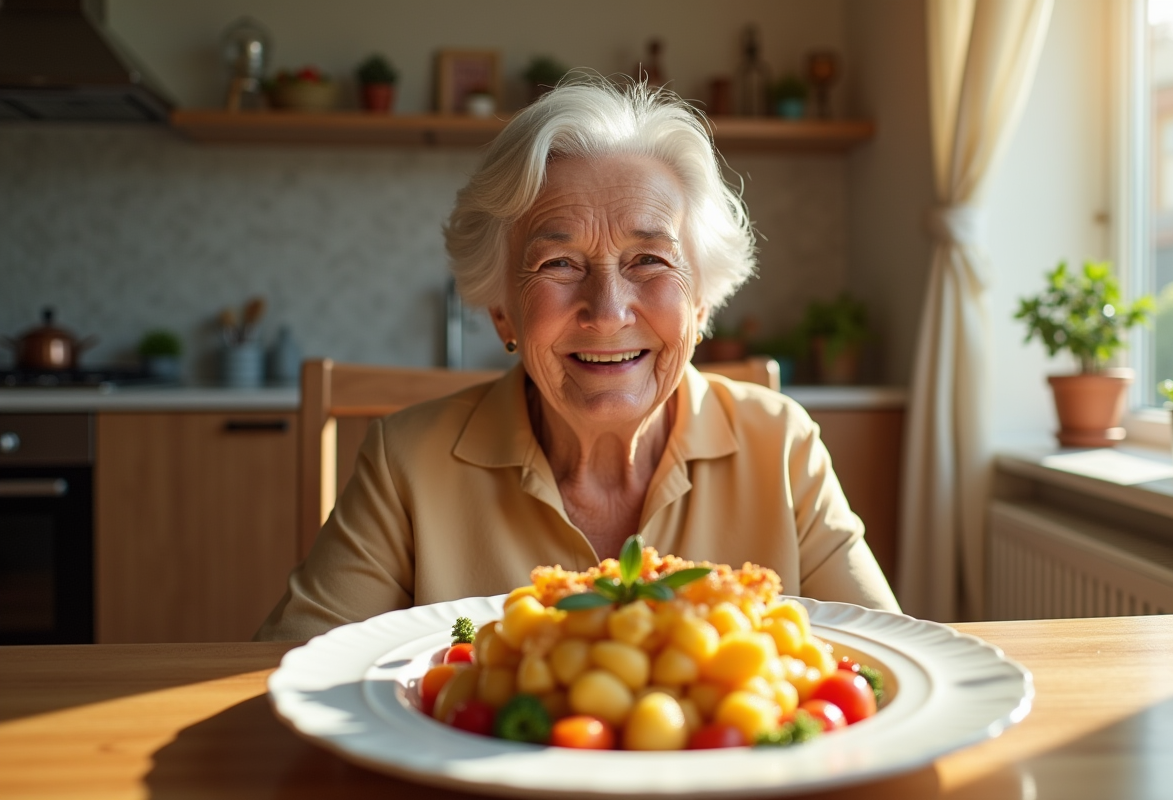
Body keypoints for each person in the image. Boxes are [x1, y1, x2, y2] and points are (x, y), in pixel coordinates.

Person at [255, 78, 898, 642]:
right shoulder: (407, 463)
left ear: (702, 304)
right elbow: (284, 672)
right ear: (502, 311)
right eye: (558, 263)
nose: (608, 310)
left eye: (649, 260)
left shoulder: (782, 447)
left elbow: (891, 665)